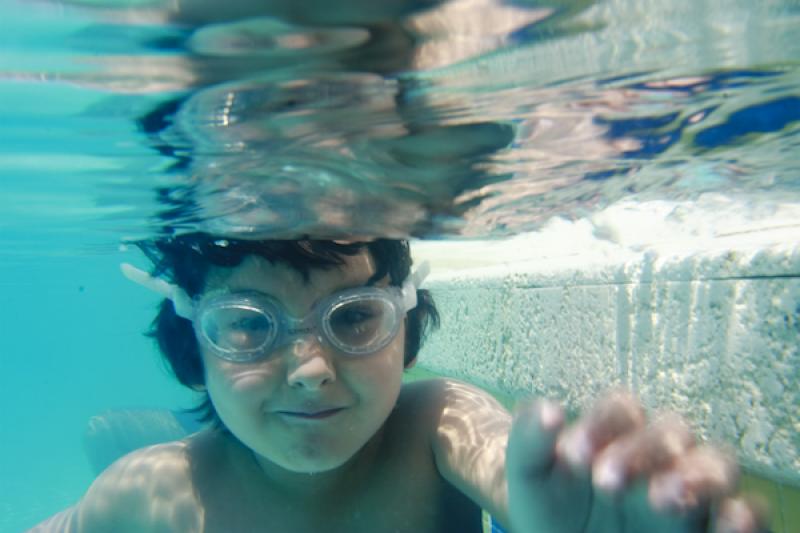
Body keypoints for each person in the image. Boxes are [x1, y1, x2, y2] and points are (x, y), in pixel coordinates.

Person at [31, 235, 764, 533]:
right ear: (192, 343)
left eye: (353, 317)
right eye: (249, 325)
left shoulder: (435, 424)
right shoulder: (146, 495)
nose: (312, 367)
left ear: (405, 326)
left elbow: (502, 458)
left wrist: (569, 517)